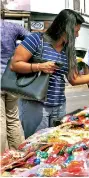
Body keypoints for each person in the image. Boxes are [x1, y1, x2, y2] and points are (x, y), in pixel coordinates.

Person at [10, 9, 89, 138]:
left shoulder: (68, 50)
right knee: (35, 144)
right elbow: (15, 64)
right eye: (76, 31)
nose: (77, 35)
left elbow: (74, 79)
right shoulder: (36, 40)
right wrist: (39, 66)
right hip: (35, 106)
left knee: (54, 145)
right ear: (65, 28)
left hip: (59, 107)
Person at [0, 3, 30, 153]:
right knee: (13, 119)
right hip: (11, 80)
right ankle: (19, 154)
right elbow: (33, 39)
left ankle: (1, 159)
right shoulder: (13, 27)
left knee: (0, 121)